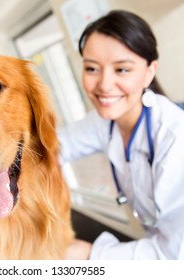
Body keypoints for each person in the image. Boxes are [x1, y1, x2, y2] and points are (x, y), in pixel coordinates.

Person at [58, 10, 184, 259]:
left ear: (149, 72)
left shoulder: (175, 139)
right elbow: (55, 144)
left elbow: (174, 255)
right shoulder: (105, 122)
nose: (104, 85)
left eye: (122, 70)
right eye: (92, 68)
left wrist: (88, 254)